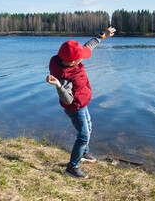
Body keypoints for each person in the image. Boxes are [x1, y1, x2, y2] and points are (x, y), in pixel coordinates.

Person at [46, 27, 116, 178]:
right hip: (75, 107)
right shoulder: (63, 76)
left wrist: (103, 35)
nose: (82, 59)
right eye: (79, 58)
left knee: (89, 127)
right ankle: (72, 167)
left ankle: (84, 153)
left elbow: (88, 46)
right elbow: (68, 100)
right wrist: (59, 86)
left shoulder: (68, 59)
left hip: (82, 102)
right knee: (84, 135)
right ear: (71, 62)